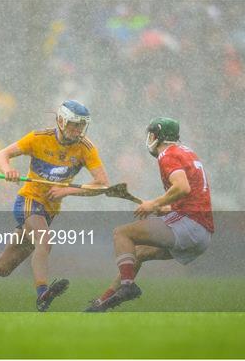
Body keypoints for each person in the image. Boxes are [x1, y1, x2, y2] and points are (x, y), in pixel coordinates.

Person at [0, 100, 109, 311]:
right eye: (74, 124)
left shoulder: (86, 148)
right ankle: (43, 293)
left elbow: (102, 184)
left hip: (49, 210)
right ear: (61, 120)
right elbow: (1, 155)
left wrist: (67, 190)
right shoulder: (38, 138)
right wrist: (8, 170)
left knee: (2, 267)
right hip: (28, 201)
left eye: (81, 125)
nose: (78, 130)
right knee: (45, 240)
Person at [86, 117, 214, 312]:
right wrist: (162, 208)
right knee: (137, 253)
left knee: (122, 233)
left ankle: (127, 286)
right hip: (202, 234)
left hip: (189, 226)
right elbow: (192, 197)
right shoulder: (187, 153)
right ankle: (103, 301)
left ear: (157, 136)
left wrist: (154, 203)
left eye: (151, 135)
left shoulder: (167, 155)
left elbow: (182, 187)